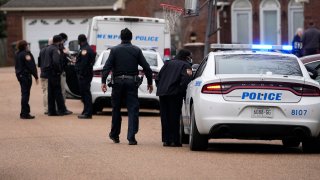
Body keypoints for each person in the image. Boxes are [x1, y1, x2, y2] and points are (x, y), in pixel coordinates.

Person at [101, 28, 153, 145]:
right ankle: (131, 137)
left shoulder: (114, 50)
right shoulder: (136, 50)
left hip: (117, 83)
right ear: (131, 38)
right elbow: (146, 67)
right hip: (131, 83)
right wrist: (150, 82)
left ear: (121, 37)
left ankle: (115, 135)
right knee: (132, 109)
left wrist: (103, 81)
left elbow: (107, 67)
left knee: (116, 109)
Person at [156, 49, 193, 147]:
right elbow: (186, 80)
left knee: (165, 117)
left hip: (162, 93)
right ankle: (174, 140)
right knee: (174, 116)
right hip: (175, 94)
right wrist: (182, 92)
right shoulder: (186, 65)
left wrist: (161, 88)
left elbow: (158, 78)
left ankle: (166, 140)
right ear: (186, 57)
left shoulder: (167, 63)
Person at [44, 35, 72, 116]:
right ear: (59, 41)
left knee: (51, 93)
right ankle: (62, 110)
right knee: (58, 92)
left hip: (49, 73)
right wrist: (59, 70)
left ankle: (51, 111)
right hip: (55, 73)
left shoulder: (48, 48)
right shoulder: (55, 49)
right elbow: (56, 61)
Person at [15, 40, 39, 119]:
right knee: (25, 94)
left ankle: (23, 112)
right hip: (26, 76)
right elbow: (31, 66)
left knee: (24, 94)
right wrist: (36, 76)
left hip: (20, 75)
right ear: (25, 46)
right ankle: (25, 113)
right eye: (27, 45)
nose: (28, 46)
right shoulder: (26, 54)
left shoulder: (17, 54)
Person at [75, 34, 96, 119]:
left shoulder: (85, 50)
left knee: (86, 94)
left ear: (80, 41)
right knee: (84, 94)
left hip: (85, 75)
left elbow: (84, 64)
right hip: (87, 74)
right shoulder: (87, 48)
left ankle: (88, 113)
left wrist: (81, 74)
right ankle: (86, 110)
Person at [38, 38, 52, 114]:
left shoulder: (42, 50)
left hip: (42, 73)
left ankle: (46, 109)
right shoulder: (52, 50)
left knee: (44, 91)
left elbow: (39, 63)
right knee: (48, 91)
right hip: (49, 74)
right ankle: (49, 108)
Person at [59, 33, 69, 101]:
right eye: (65, 40)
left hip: (53, 73)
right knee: (62, 90)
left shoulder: (51, 47)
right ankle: (62, 108)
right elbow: (63, 60)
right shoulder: (61, 48)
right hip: (61, 72)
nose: (65, 42)